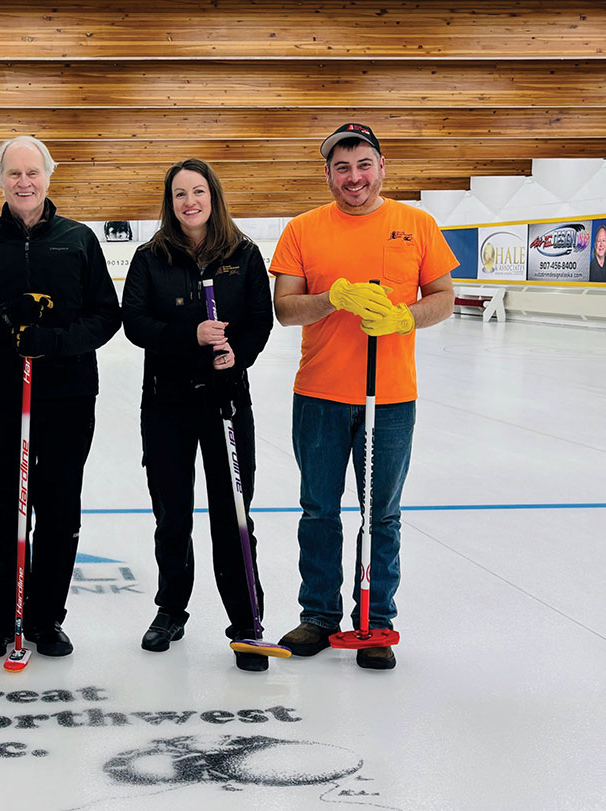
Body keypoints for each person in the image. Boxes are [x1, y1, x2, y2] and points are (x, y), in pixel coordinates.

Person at [269, 123, 457, 670]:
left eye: (364, 165)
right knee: (319, 511)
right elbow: (285, 309)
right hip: (319, 395)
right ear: (328, 174)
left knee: (382, 515)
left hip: (391, 399)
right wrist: (332, 298)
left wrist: (404, 317)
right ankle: (319, 616)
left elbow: (443, 297)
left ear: (381, 167)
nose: (354, 177)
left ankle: (375, 622)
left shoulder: (416, 224)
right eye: (342, 167)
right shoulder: (302, 229)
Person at [0, 135, 121, 658]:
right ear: (1, 179)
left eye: (33, 172)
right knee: (5, 509)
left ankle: (45, 619)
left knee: (60, 510)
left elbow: (106, 316)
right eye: (14, 173)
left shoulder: (79, 240)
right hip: (4, 400)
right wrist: (5, 317)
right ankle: (0, 619)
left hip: (69, 399)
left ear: (48, 175)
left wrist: (57, 342)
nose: (24, 182)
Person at [121, 159, 273, 671]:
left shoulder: (243, 254)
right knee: (172, 514)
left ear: (214, 196)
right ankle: (171, 609)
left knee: (234, 514)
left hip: (225, 402)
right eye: (180, 193)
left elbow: (259, 319)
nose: (190, 201)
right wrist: (191, 333)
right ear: (170, 202)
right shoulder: (151, 256)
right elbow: (135, 322)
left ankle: (247, 621)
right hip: (167, 403)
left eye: (199, 191)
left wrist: (239, 352)